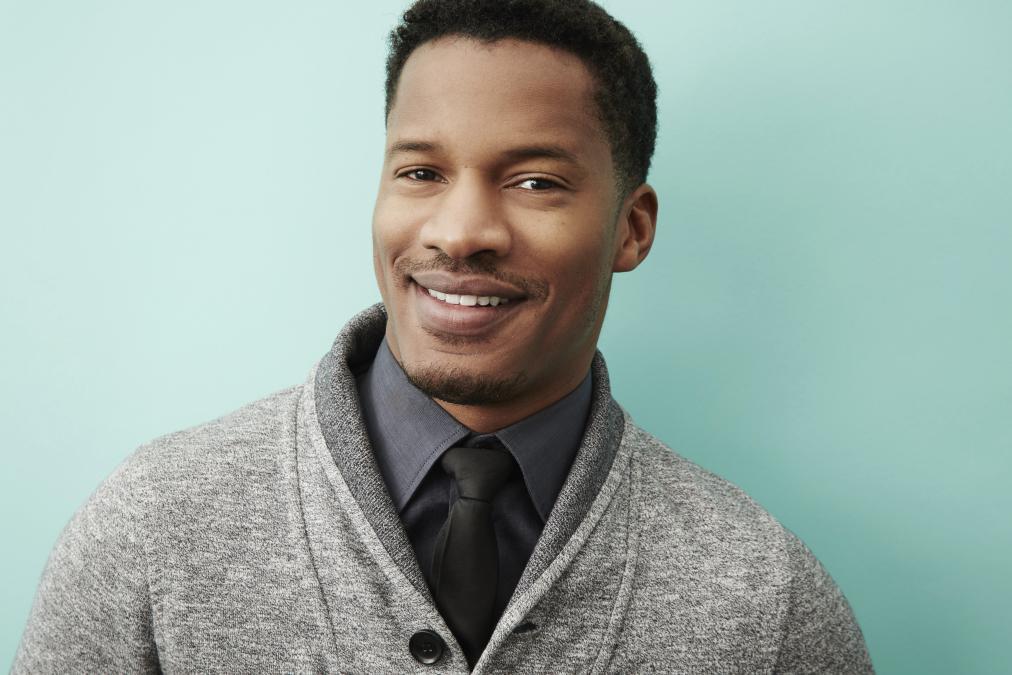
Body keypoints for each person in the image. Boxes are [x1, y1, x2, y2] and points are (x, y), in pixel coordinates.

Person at [14, 0, 874, 672]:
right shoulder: (156, 523)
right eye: (421, 172)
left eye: (536, 180)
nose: (459, 232)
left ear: (631, 229)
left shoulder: (764, 595)